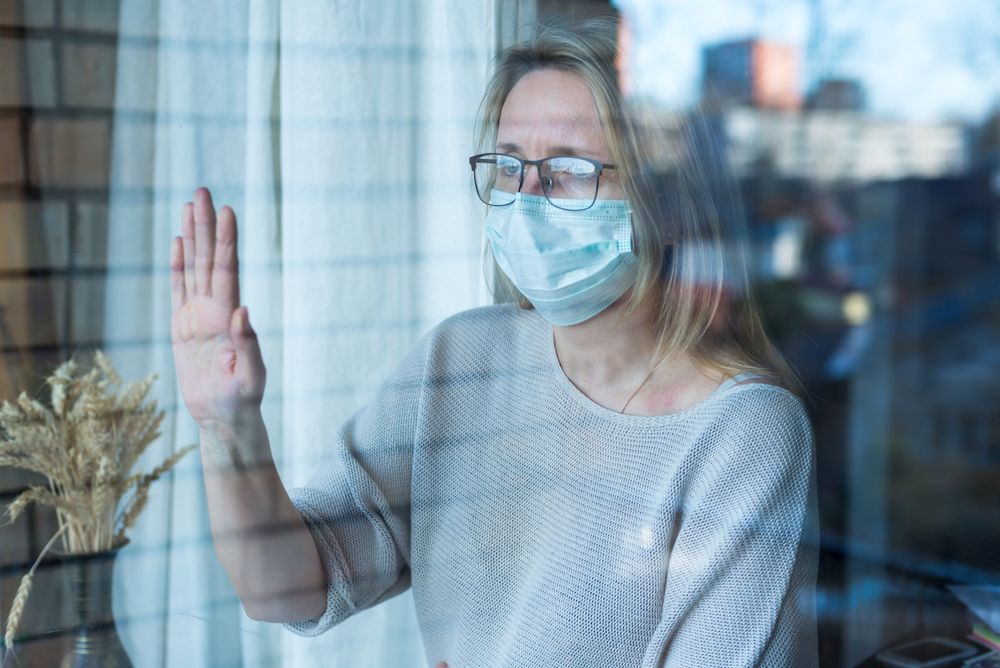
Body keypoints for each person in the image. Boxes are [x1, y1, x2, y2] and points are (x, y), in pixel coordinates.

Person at [170, 18, 818, 668]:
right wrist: (229, 430)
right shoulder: (460, 362)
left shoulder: (742, 434)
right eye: (509, 166)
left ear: (668, 202)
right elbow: (286, 588)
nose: (526, 198)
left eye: (568, 170)